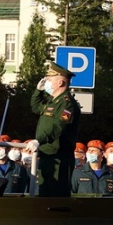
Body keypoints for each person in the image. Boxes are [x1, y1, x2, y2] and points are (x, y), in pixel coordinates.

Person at [31, 62, 82, 196]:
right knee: (44, 195)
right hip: (47, 155)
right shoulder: (53, 101)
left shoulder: (67, 104)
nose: (46, 80)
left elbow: (58, 127)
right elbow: (36, 107)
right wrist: (38, 91)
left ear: (60, 82)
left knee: (56, 197)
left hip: (60, 157)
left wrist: (39, 140)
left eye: (49, 78)